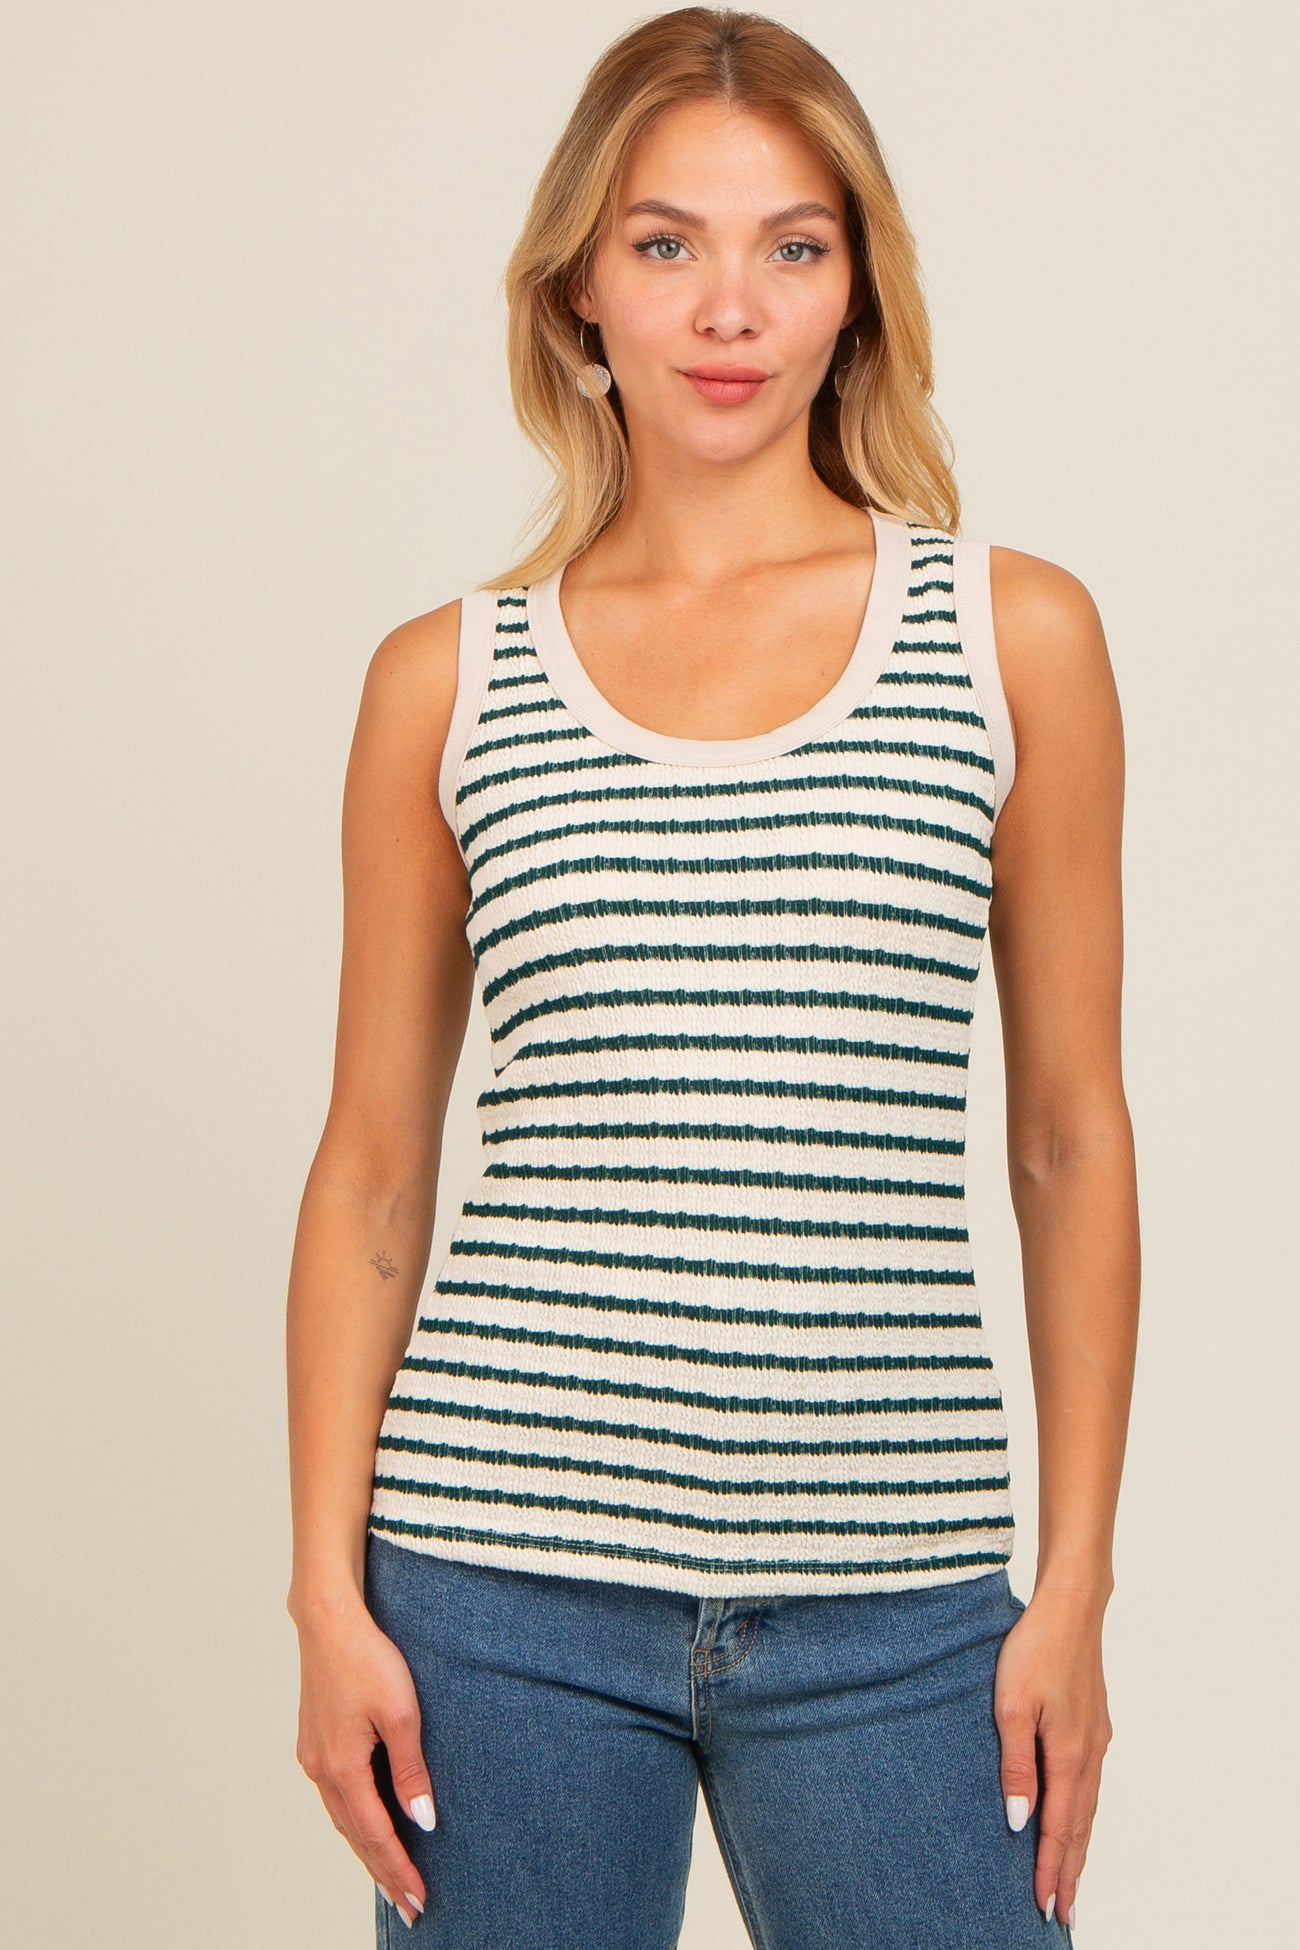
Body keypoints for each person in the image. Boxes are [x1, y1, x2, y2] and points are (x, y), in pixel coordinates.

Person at [284, 9, 1139, 1946]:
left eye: (791, 245)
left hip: (894, 1600)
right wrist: (325, 1594)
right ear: (578, 288)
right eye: (665, 242)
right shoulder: (448, 680)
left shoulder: (1010, 639)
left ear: (857, 288)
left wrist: (1074, 1584)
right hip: (493, 1591)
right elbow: (371, 1172)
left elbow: (1071, 1140)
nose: (728, 306)